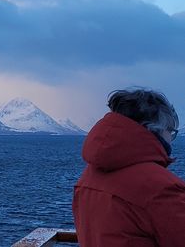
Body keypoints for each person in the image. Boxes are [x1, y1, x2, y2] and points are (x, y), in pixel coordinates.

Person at [77, 88, 185, 246]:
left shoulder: (88, 176)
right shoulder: (160, 188)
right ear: (154, 129)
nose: (171, 139)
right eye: (171, 131)